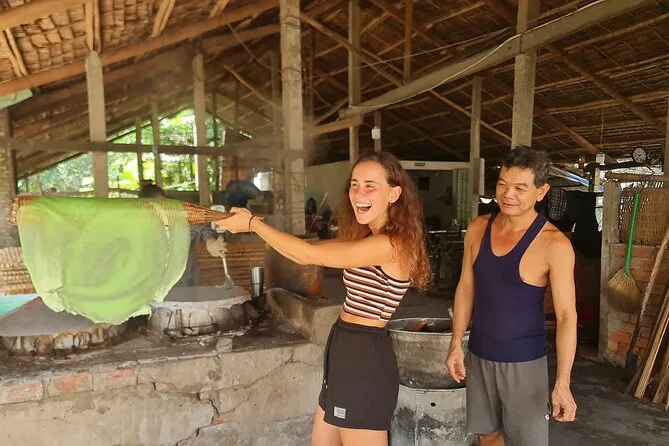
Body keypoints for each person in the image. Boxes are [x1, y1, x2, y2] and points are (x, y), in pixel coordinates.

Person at [215, 152, 430, 446]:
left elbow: (308, 255)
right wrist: (258, 228)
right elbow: (302, 254)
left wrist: (254, 225)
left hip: (363, 355)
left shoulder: (390, 244)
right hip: (344, 346)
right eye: (355, 184)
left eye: (370, 186)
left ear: (394, 194)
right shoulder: (367, 238)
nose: (358, 193)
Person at [445, 146, 578, 446]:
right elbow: (465, 288)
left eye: (520, 188)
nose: (508, 194)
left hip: (524, 362)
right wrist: (456, 343)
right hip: (479, 354)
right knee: (487, 435)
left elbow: (567, 316)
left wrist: (563, 381)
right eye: (502, 184)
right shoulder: (478, 228)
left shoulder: (554, 244)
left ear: (541, 191)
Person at [138, 183, 227, 288]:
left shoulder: (179, 223)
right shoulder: (138, 231)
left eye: (162, 205)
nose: (160, 211)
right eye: (152, 208)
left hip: (186, 288)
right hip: (151, 291)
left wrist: (211, 241)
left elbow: (203, 230)